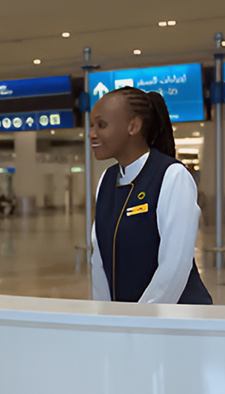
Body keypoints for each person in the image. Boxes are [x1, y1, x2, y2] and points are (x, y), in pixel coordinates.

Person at [90, 87, 212, 304]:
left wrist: (141, 322)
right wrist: (106, 319)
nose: (92, 134)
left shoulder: (172, 176)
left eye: (102, 125)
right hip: (130, 324)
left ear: (133, 126)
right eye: (91, 126)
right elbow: (99, 262)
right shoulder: (106, 181)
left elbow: (174, 267)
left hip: (173, 323)